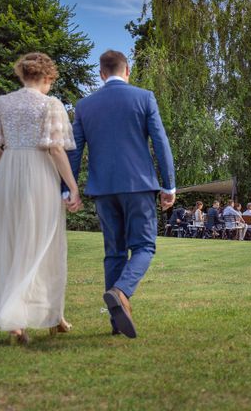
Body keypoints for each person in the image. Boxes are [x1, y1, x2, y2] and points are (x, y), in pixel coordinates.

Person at [0, 52, 80, 345]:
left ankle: (40, 318)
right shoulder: (50, 105)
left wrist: (11, 163)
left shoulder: (2, 103)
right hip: (39, 175)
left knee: (10, 242)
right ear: (47, 78)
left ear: (22, 75)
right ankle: (40, 315)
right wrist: (72, 185)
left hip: (8, 174)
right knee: (44, 243)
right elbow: (56, 150)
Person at [67, 50, 175, 339]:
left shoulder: (85, 106)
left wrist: (69, 189)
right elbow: (161, 143)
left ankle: (117, 322)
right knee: (144, 247)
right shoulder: (144, 97)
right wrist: (169, 185)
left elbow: (74, 150)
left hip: (103, 189)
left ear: (102, 73)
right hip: (139, 185)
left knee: (114, 252)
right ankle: (121, 292)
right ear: (127, 71)